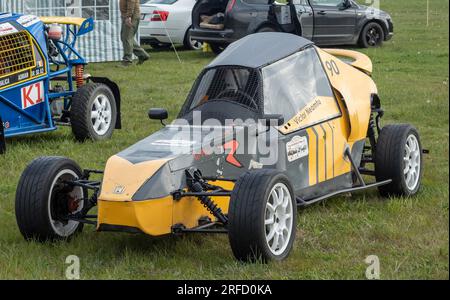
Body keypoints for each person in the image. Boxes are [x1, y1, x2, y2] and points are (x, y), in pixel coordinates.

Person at [119, 0, 150, 66]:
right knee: (126, 38)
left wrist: (128, 16)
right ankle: (143, 55)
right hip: (129, 16)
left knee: (127, 38)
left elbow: (131, 2)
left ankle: (127, 61)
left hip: (131, 17)